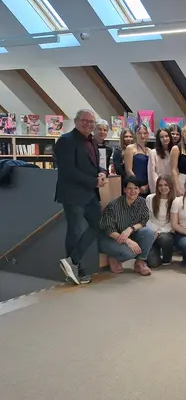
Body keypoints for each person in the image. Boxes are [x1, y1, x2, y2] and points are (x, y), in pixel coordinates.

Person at [54, 109, 108, 285]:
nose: (88, 124)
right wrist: (94, 181)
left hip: (90, 193)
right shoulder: (66, 140)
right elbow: (68, 171)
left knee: (99, 225)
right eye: (85, 121)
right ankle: (75, 270)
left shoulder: (92, 141)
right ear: (76, 121)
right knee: (75, 231)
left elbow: (96, 165)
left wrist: (102, 173)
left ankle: (72, 261)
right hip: (73, 194)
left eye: (91, 122)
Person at [98, 176, 154, 275]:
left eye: (136, 188)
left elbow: (144, 220)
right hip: (110, 238)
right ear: (124, 190)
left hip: (128, 235)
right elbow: (108, 230)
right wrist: (128, 241)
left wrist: (130, 229)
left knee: (149, 232)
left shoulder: (141, 202)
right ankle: (114, 257)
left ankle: (140, 263)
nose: (133, 191)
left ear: (139, 190)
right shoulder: (113, 206)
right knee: (130, 253)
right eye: (129, 188)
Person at [145, 175, 175, 268]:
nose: (163, 188)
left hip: (166, 232)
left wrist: (159, 232)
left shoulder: (175, 200)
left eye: (166, 185)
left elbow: (173, 223)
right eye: (160, 185)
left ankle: (167, 258)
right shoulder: (150, 198)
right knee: (153, 264)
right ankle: (155, 251)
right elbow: (147, 218)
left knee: (165, 239)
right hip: (152, 230)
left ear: (170, 186)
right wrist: (153, 231)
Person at [124, 124, 151, 195]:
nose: (142, 136)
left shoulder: (150, 151)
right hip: (134, 186)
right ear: (135, 134)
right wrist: (138, 186)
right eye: (139, 133)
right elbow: (128, 170)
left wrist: (148, 185)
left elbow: (152, 171)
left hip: (148, 186)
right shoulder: (130, 148)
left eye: (144, 133)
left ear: (148, 134)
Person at [148, 128, 173, 194]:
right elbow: (152, 173)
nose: (165, 138)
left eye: (167, 136)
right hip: (159, 187)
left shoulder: (174, 151)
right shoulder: (153, 153)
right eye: (162, 137)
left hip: (172, 186)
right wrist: (157, 188)